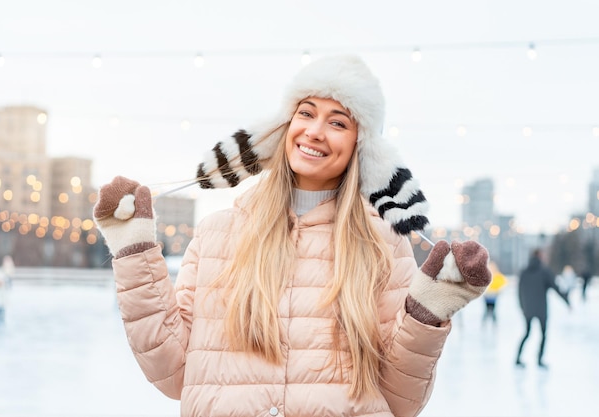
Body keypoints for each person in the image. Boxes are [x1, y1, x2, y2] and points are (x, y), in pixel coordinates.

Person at [94, 55, 492, 417]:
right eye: (306, 113)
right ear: (285, 125)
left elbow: (402, 399)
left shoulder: (384, 243)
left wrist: (426, 315)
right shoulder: (218, 234)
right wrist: (134, 253)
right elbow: (172, 373)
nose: (315, 132)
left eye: (338, 122)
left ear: (361, 144)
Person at [515, 248, 570, 369]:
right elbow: (556, 287)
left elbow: (519, 291)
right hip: (541, 309)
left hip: (528, 309)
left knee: (527, 333)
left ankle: (518, 358)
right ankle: (539, 359)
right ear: (539, 256)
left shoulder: (524, 271)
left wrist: (522, 306)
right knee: (543, 334)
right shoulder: (544, 271)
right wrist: (567, 300)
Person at [482, 261, 508, 325]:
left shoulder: (498, 276)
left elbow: (504, 282)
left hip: (494, 296)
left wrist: (499, 290)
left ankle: (494, 323)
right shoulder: (486, 275)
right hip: (487, 296)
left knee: (493, 310)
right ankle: (484, 322)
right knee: (487, 310)